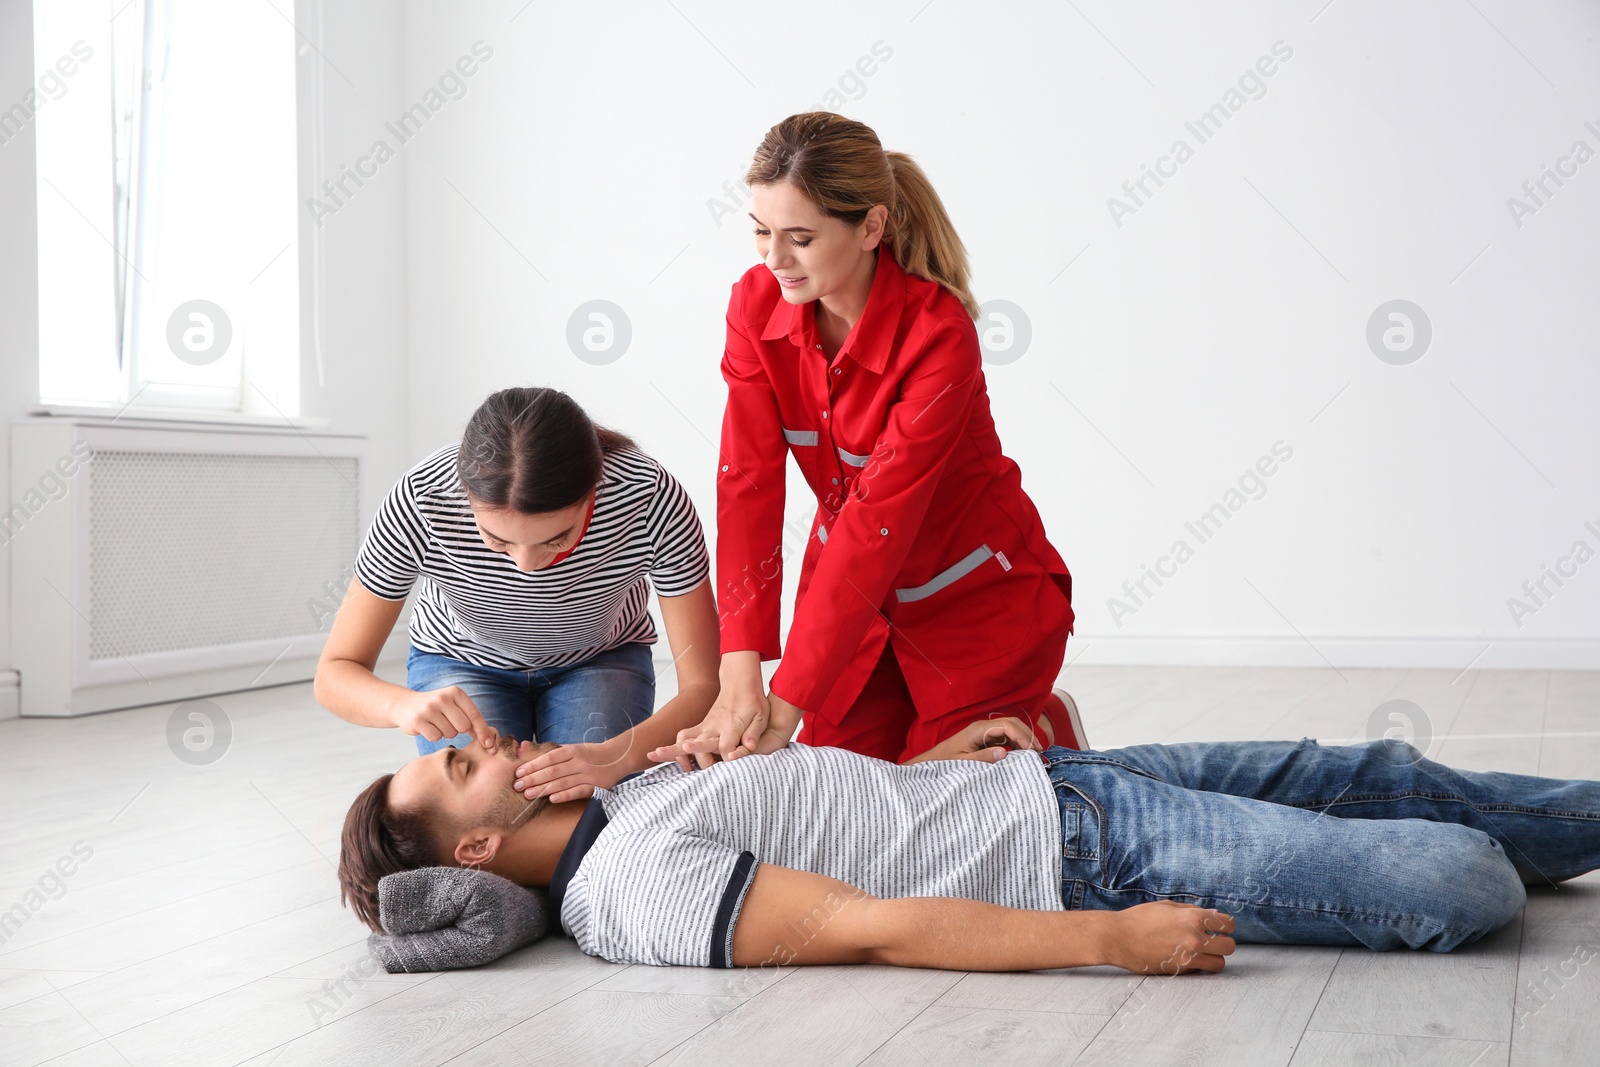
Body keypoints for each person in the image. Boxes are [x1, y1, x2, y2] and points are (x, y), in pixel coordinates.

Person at [337, 718, 1600, 975]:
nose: (484, 737)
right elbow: (871, 925)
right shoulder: (630, 894)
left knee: (1367, 770)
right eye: (460, 766)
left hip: (1047, 782)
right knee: (1457, 877)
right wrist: (1111, 937)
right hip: (1087, 864)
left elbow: (839, 808)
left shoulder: (624, 799)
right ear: (485, 841)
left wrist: (942, 764)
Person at [676, 111, 1082, 769]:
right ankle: (1031, 730)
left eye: (800, 237)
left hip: (975, 607)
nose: (774, 258)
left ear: (871, 226)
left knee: (935, 804)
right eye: (761, 232)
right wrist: (740, 662)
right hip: (854, 614)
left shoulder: (938, 335)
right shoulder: (754, 306)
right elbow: (747, 483)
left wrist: (788, 700)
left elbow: (876, 522)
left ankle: (1041, 728)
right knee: (844, 791)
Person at [315, 386, 722, 802]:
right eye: (497, 540)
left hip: (600, 659)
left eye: (558, 539)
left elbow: (704, 685)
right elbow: (335, 671)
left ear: (595, 490)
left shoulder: (650, 497)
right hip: (460, 660)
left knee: (580, 806)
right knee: (492, 806)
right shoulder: (421, 498)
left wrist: (614, 756)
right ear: (465, 496)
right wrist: (400, 706)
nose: (527, 566)